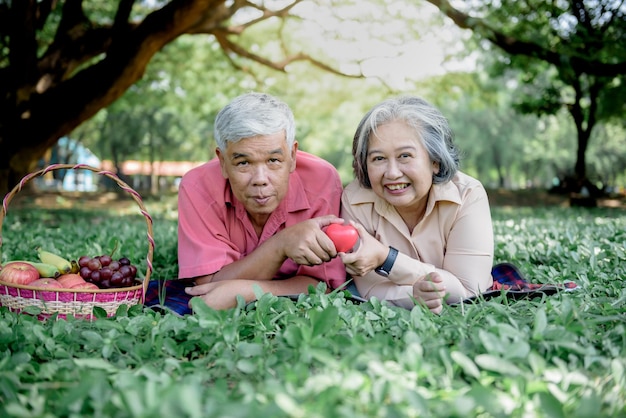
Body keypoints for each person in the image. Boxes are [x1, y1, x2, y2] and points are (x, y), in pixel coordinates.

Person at [172, 92, 347, 311]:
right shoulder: (197, 186)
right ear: (223, 161)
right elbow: (210, 286)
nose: (260, 180)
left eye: (274, 160)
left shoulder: (322, 181)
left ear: (292, 156)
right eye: (243, 163)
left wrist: (243, 291)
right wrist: (281, 245)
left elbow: (323, 286)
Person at [338, 96, 494, 314]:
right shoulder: (355, 199)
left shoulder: (468, 195)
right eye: (378, 159)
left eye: (405, 156)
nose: (392, 173)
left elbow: (469, 289)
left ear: (435, 162)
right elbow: (370, 289)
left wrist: (386, 259)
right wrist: (414, 296)